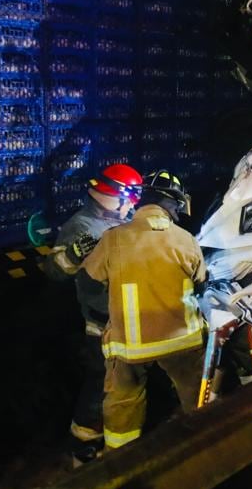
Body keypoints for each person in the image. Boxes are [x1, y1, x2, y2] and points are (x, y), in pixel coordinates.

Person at [81, 170, 206, 450]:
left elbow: (88, 285)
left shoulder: (113, 239)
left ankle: (120, 462)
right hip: (182, 343)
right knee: (197, 399)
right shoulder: (186, 239)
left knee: (123, 406)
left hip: (129, 347)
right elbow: (201, 283)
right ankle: (207, 451)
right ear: (173, 204)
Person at [42, 163, 144, 452]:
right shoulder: (83, 226)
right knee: (100, 386)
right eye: (130, 200)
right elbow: (54, 271)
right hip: (101, 325)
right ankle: (84, 447)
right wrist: (74, 255)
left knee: (125, 383)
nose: (133, 207)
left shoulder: (125, 221)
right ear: (116, 197)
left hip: (128, 318)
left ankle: (117, 439)